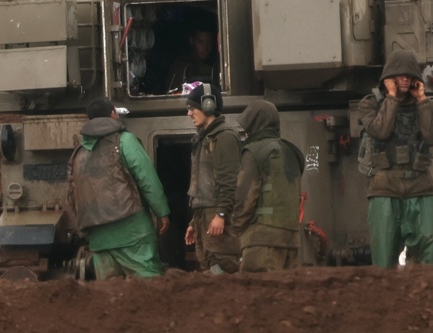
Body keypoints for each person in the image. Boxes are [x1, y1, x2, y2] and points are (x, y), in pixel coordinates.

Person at [355, 49, 433, 267]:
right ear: (388, 78)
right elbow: (380, 131)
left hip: (421, 187)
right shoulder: (370, 104)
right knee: (383, 262)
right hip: (385, 189)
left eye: (409, 75)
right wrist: (392, 97)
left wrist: (422, 100)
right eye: (399, 74)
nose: (405, 78)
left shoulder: (429, 105)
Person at [67, 98, 171, 279]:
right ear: (113, 114)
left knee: (112, 298)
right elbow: (147, 179)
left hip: (99, 241)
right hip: (133, 234)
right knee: (149, 293)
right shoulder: (124, 141)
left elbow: (72, 196)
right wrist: (162, 212)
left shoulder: (79, 153)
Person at [232, 100, 303, 272]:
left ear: (254, 124)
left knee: (257, 293)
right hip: (291, 240)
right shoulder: (292, 151)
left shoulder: (254, 151)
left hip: (262, 240)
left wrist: (235, 227)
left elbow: (244, 198)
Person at [184, 83, 242, 274]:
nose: (189, 113)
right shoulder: (205, 138)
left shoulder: (224, 138)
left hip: (218, 216)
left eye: (192, 108)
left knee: (222, 267)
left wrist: (221, 214)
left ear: (208, 105)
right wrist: (195, 222)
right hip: (206, 217)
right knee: (210, 267)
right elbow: (204, 185)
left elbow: (229, 182)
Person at [165, 26, 218, 93]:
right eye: (201, 42)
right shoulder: (181, 66)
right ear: (191, 41)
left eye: (209, 42)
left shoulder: (216, 65)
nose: (205, 47)